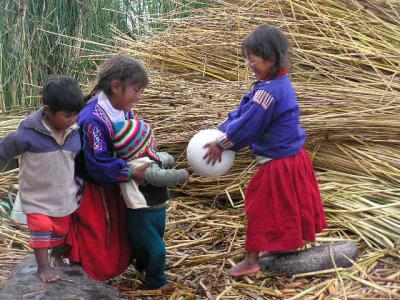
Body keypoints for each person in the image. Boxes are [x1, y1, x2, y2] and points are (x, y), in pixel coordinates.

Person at [203, 24, 327, 277]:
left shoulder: (269, 92)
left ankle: (252, 259)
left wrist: (221, 144)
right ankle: (280, 248)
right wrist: (221, 129)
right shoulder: (273, 84)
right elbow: (243, 112)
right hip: (291, 159)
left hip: (280, 163)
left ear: (270, 58)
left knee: (258, 206)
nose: (249, 65)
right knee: (283, 206)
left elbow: (249, 126)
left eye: (253, 60)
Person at [66, 54, 155, 283]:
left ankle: (114, 266)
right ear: (116, 86)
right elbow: (97, 164)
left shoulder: (121, 108)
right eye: (136, 90)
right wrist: (130, 171)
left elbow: (129, 139)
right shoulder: (93, 119)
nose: (138, 97)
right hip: (95, 188)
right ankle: (88, 275)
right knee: (97, 234)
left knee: (119, 229)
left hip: (112, 183)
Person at [0, 75, 84, 282]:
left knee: (60, 232)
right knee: (42, 230)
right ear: (48, 110)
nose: (72, 120)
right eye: (67, 115)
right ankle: (43, 267)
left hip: (63, 197)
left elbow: (79, 161)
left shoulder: (75, 132)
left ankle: (56, 255)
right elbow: (3, 150)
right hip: (36, 198)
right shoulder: (27, 134)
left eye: (75, 115)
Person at [112, 118, 189, 289]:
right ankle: (156, 281)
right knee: (157, 249)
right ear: (142, 147)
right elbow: (160, 177)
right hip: (143, 215)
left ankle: (144, 266)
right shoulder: (142, 166)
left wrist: (169, 158)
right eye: (152, 140)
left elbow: (160, 158)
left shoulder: (141, 159)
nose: (156, 141)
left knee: (151, 241)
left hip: (154, 212)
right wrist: (182, 174)